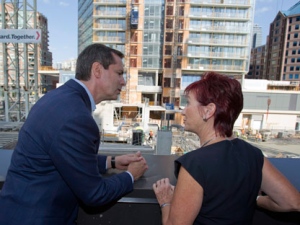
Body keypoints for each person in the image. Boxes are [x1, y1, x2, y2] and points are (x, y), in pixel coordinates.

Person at [0, 44, 148, 225]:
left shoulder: (59, 98)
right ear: (97, 70)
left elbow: (65, 158)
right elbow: (95, 194)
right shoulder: (75, 116)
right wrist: (131, 175)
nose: (123, 81)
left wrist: (112, 162)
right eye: (119, 73)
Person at [153, 72, 300, 225]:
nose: (183, 111)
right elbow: (292, 202)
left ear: (208, 111)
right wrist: (254, 199)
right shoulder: (253, 154)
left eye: (188, 103)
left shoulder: (195, 164)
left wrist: (166, 202)